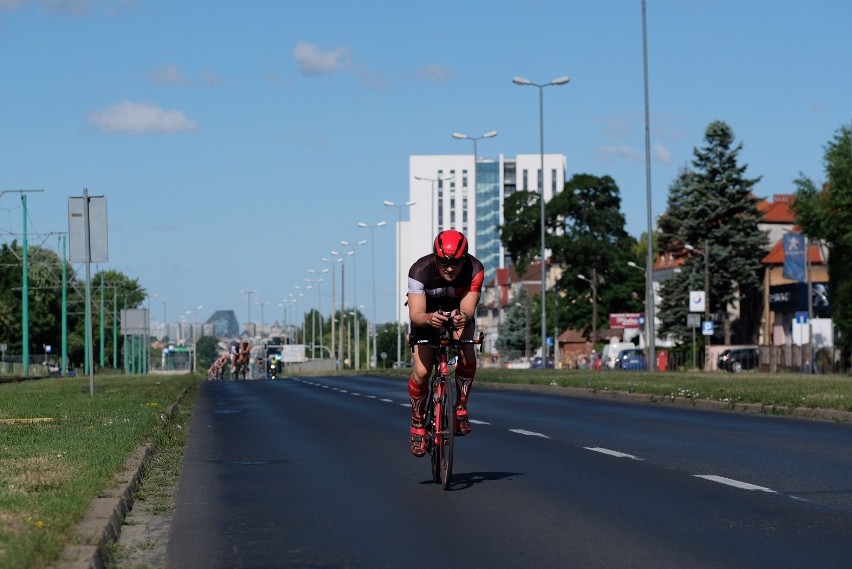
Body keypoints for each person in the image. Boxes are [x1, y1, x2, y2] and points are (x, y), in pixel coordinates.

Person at [406, 229, 484, 457]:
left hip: (458, 314)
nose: (449, 268)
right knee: (421, 371)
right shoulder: (419, 270)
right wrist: (430, 319)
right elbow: (416, 313)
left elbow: (469, 307)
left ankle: (460, 407)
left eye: (456, 262)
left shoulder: (475, 269)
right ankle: (418, 421)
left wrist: (464, 316)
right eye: (442, 262)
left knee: (467, 349)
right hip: (426, 317)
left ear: (465, 258)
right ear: (435, 258)